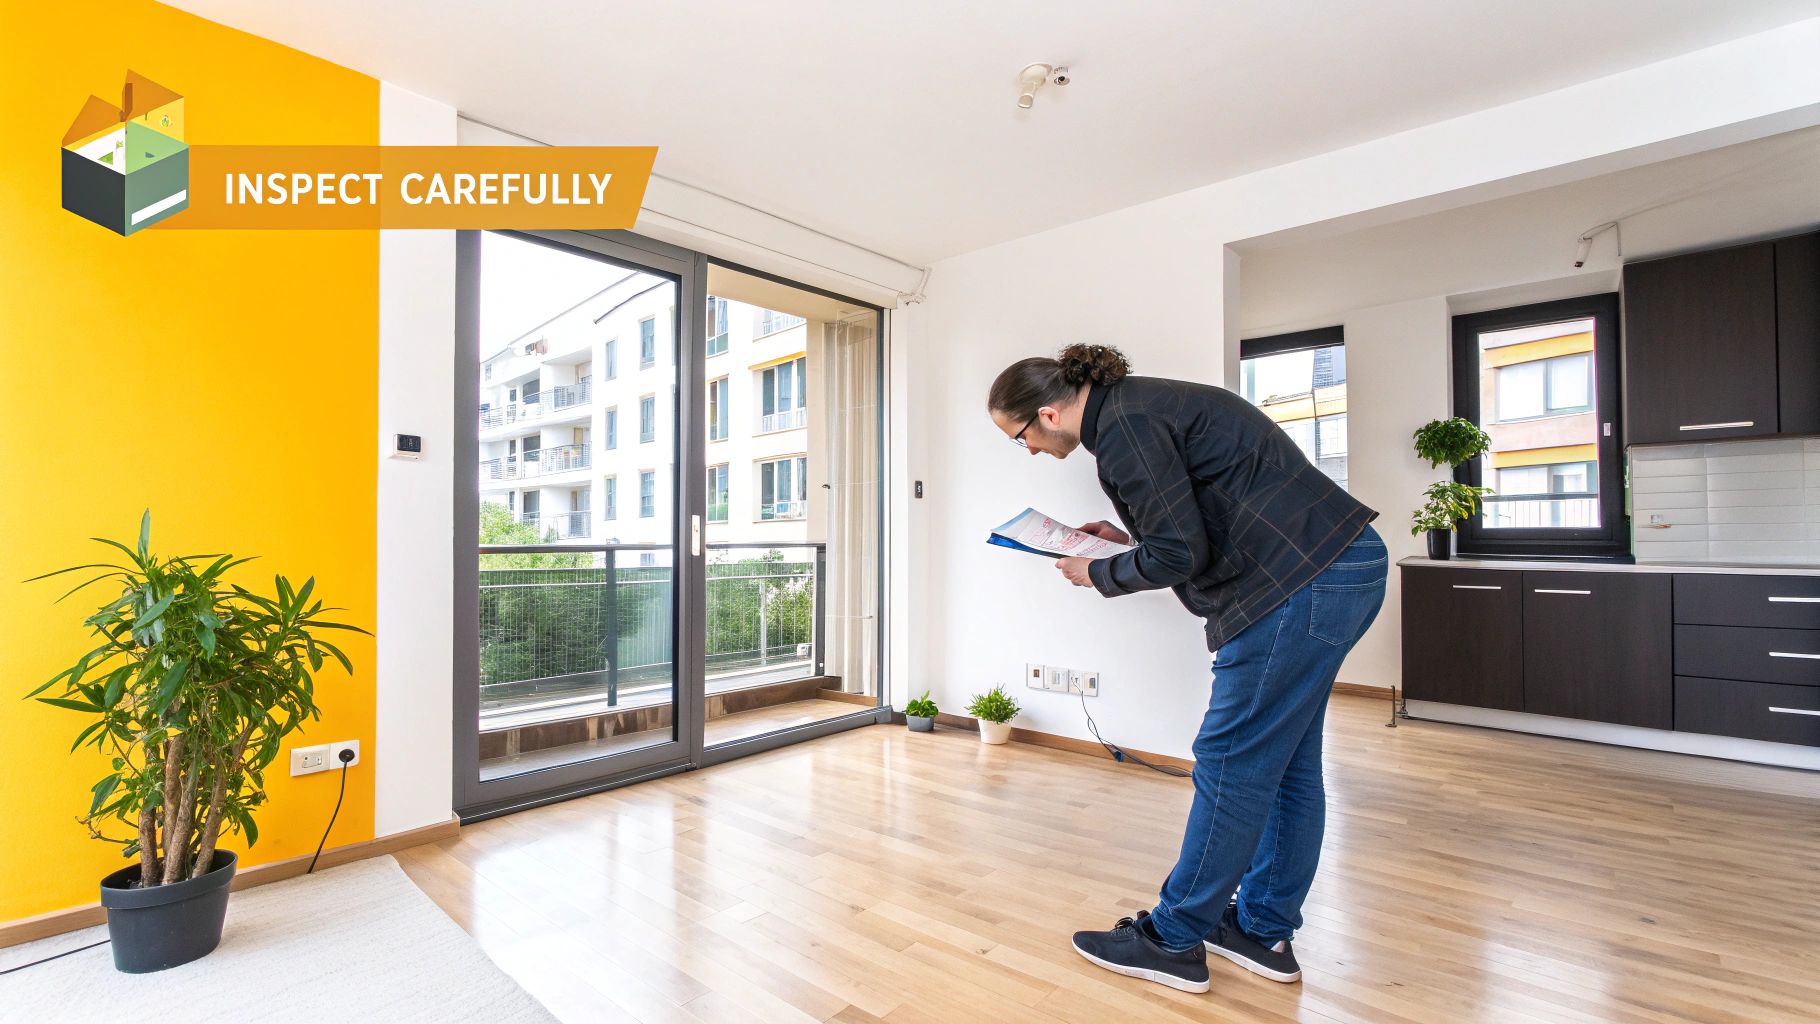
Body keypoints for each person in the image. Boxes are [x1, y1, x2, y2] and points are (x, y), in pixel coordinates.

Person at [986, 343, 1386, 994]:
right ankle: (1261, 928)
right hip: (1336, 567)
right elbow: (1188, 527)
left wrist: (1098, 570)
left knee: (1229, 761)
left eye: (1020, 436)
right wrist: (1121, 545)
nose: (1027, 448)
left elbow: (1178, 552)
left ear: (1050, 413)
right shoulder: (1139, 408)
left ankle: (1173, 939)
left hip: (1297, 586)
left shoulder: (1122, 430)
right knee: (1284, 765)